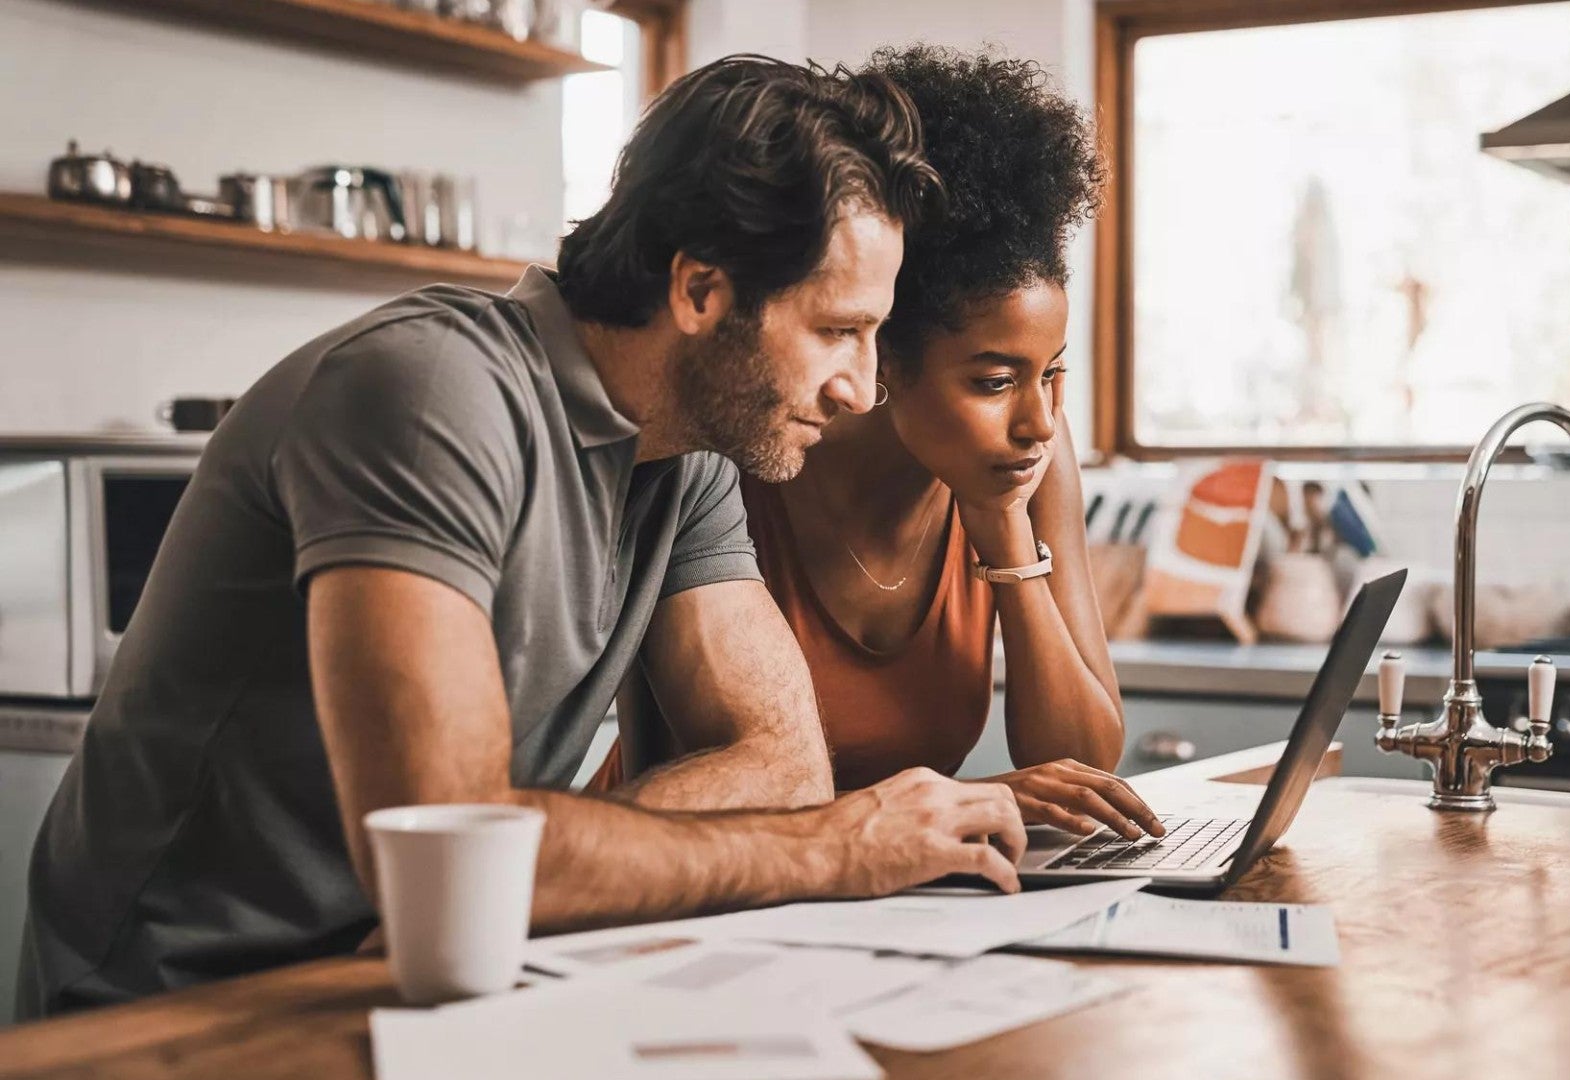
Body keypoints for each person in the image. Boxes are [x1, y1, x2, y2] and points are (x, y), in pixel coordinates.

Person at [18, 55, 1027, 1020]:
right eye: (835, 330)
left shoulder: (690, 456)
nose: (856, 390)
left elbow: (781, 764)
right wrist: (827, 850)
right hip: (190, 1005)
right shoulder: (428, 395)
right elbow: (455, 853)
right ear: (701, 292)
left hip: (439, 969)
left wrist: (533, 866)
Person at [596, 47, 1163, 842]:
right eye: (995, 382)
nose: (1038, 421)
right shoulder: (748, 447)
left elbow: (1085, 762)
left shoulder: (1024, 462)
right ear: (883, 354)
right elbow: (714, 770)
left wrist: (1002, 533)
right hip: (691, 865)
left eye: (1054, 375)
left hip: (886, 886)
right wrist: (970, 801)